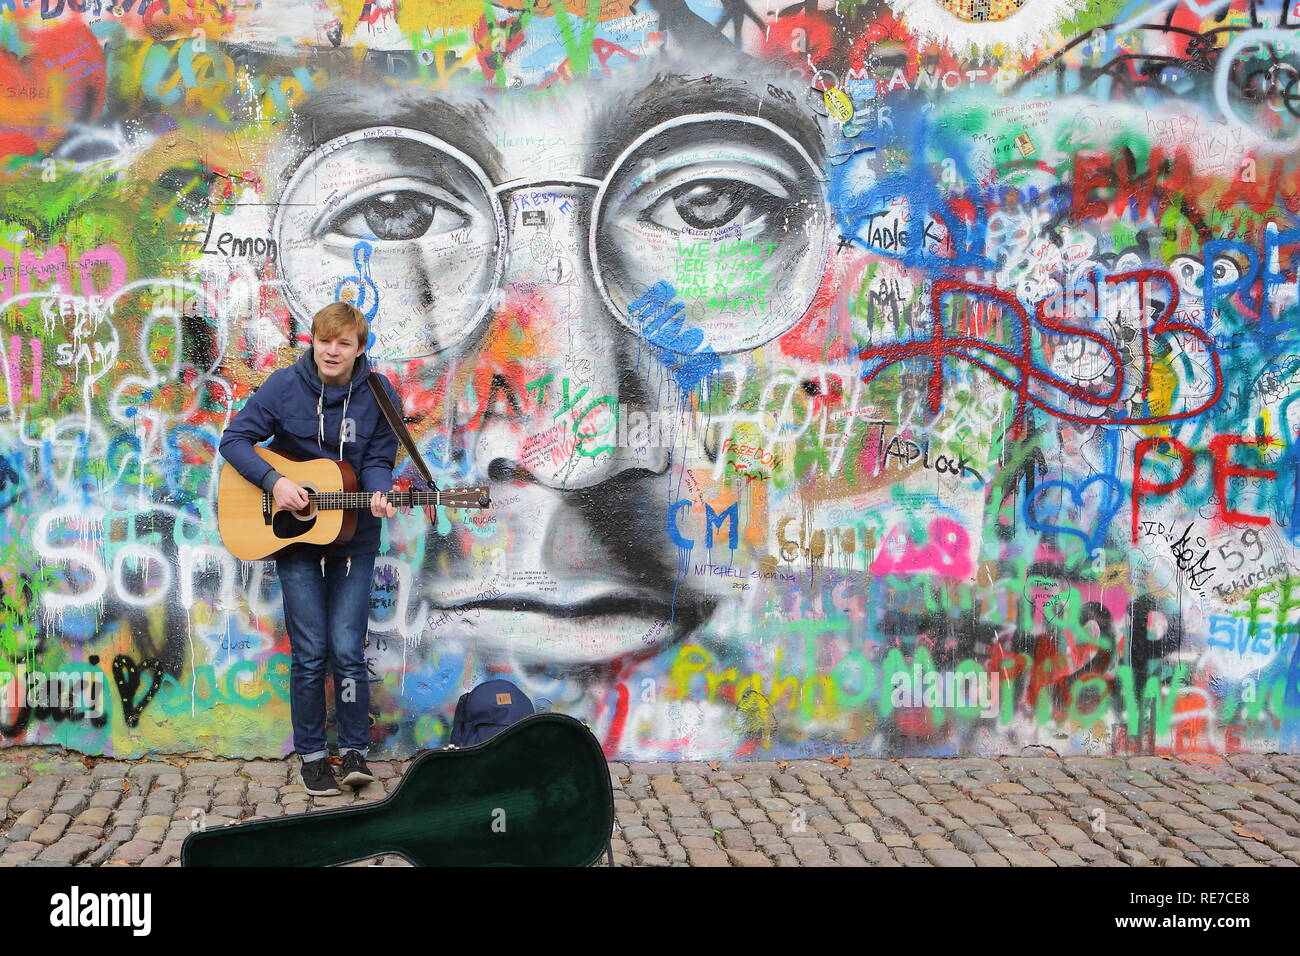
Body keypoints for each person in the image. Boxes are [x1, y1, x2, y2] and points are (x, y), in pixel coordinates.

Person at [218, 301, 404, 795]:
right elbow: (235, 440)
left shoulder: (379, 395)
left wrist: (381, 490)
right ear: (313, 343)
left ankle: (355, 750)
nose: (332, 351)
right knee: (310, 651)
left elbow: (379, 459)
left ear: (360, 348)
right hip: (293, 537)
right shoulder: (284, 386)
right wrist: (275, 482)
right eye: (325, 341)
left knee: (346, 647)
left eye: (344, 343)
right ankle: (313, 754)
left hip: (354, 537)